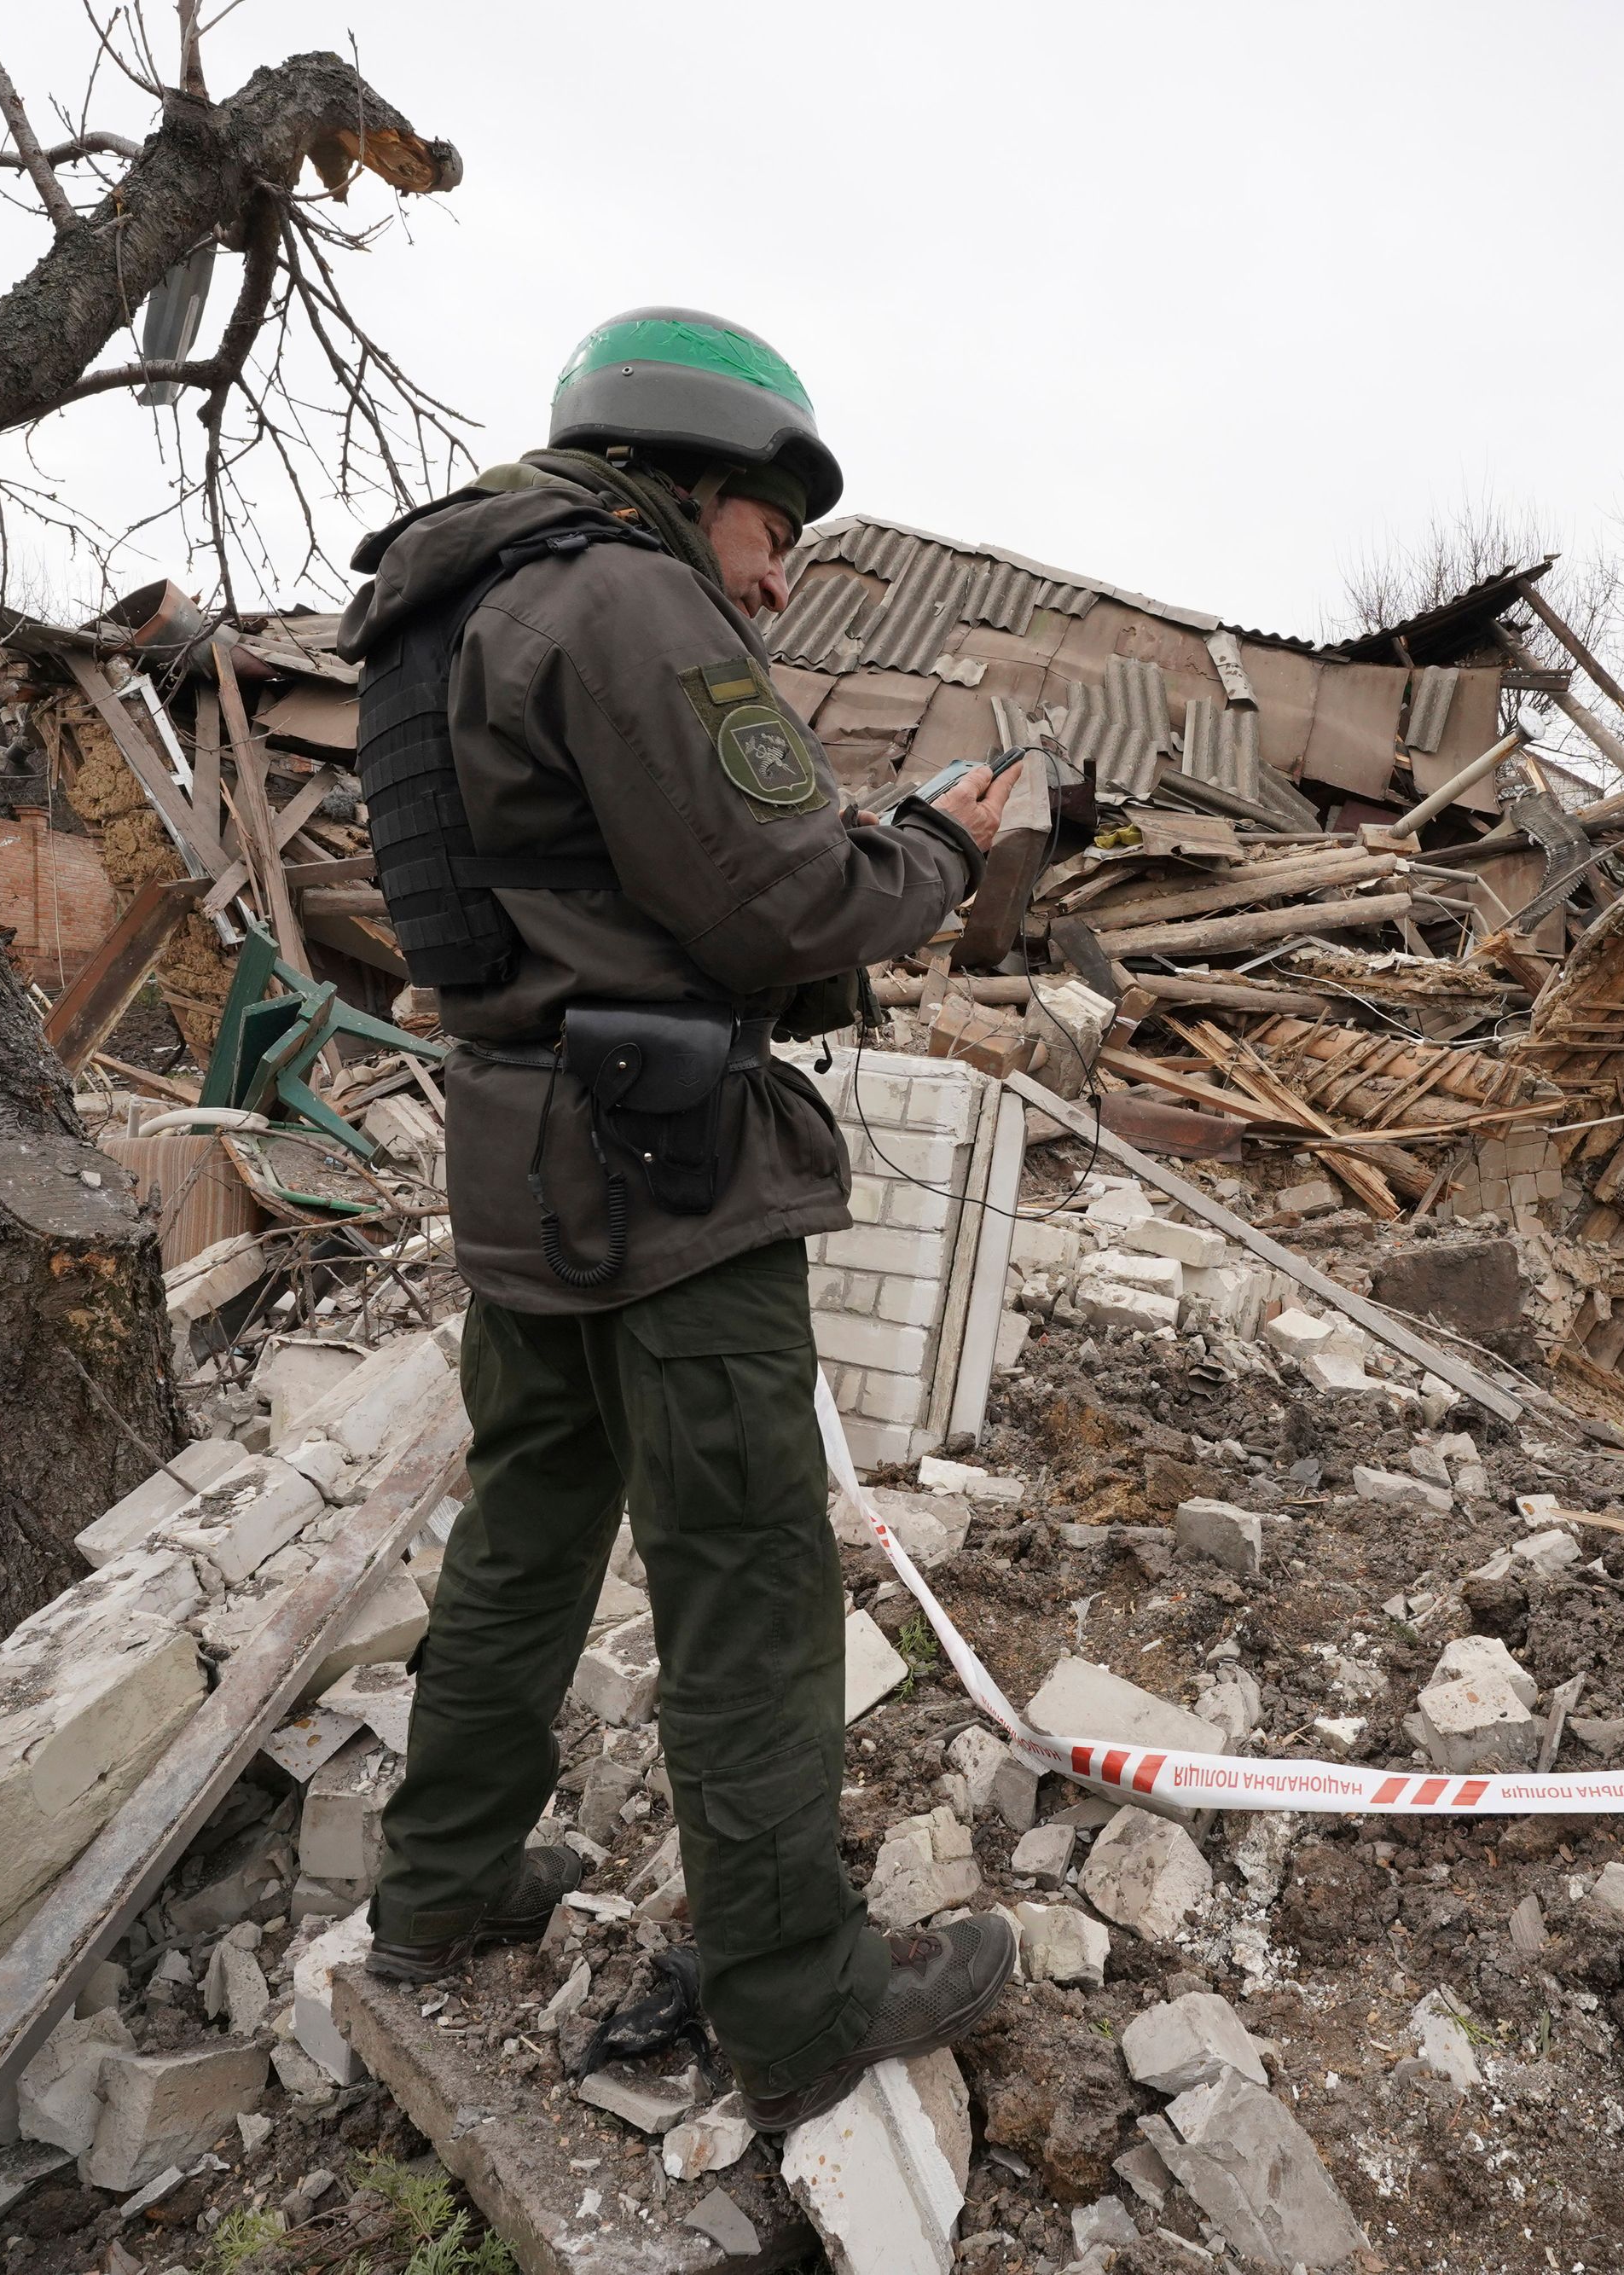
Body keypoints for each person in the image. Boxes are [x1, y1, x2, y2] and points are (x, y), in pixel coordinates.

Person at [331, 308, 1024, 2127]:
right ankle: (797, 1995)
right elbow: (786, 902)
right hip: (667, 1177)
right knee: (747, 1580)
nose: (777, 581)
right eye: (771, 531)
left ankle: (441, 1886)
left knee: (527, 1532)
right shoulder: (623, 597)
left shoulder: (447, 600)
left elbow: (607, 880)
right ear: (693, 474)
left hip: (519, 1150)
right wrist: (939, 847)